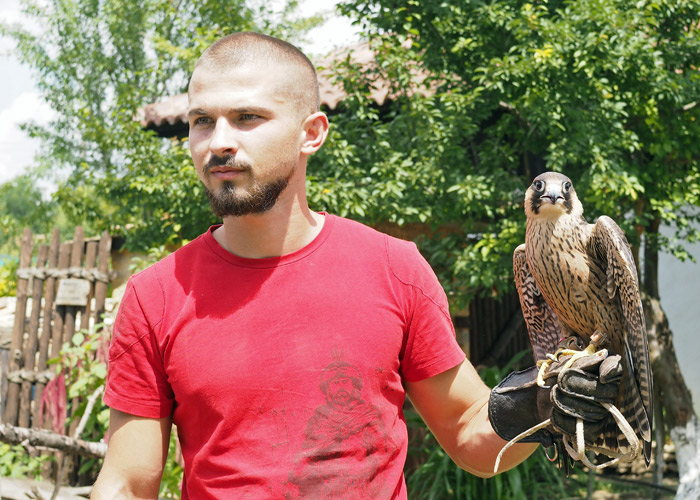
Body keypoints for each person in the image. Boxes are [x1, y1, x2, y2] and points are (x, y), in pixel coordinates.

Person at [91, 32, 620, 499]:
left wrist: (538, 402)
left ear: (312, 133)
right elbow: (127, 484)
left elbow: (467, 432)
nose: (220, 141)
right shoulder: (155, 294)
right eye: (202, 121)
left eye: (248, 117)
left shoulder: (393, 268)